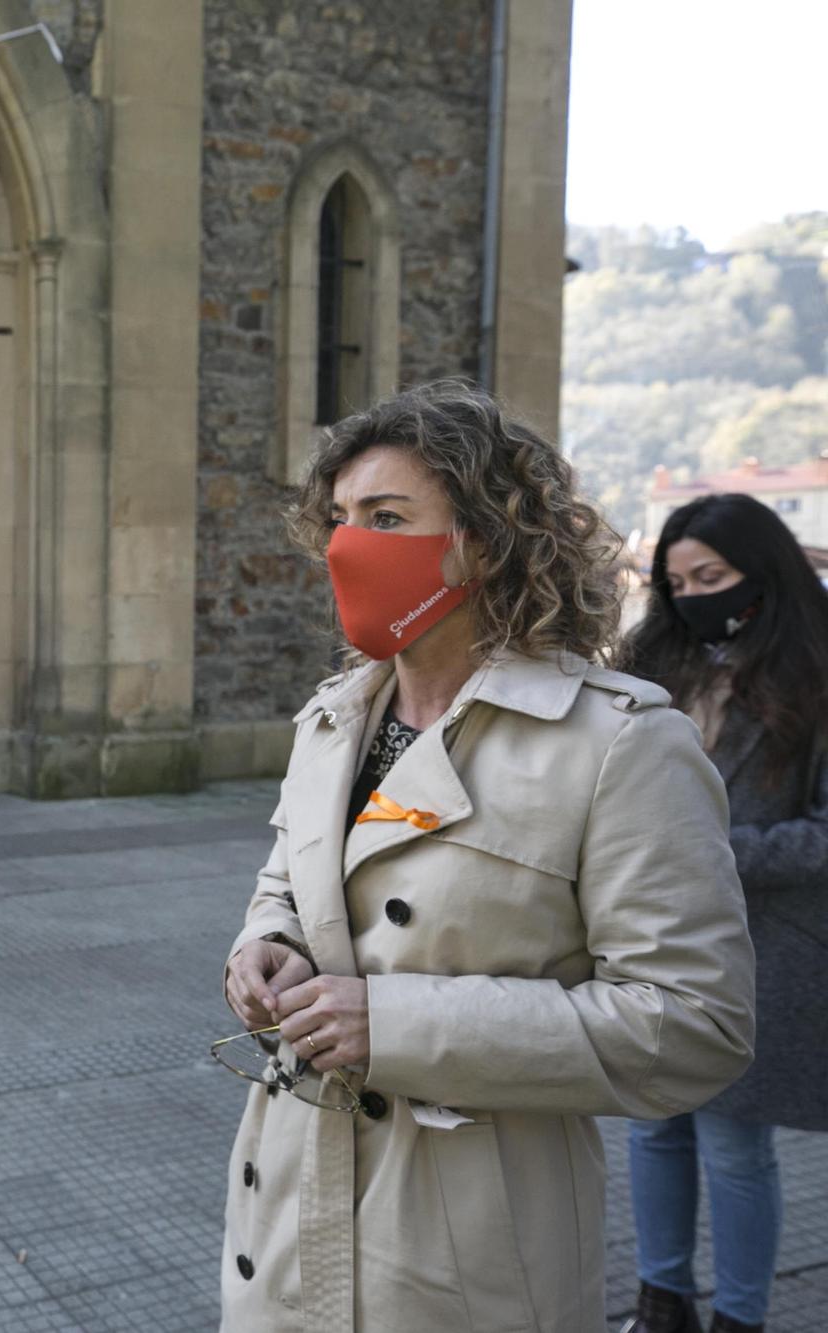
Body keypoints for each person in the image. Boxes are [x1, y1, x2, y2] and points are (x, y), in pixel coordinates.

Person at [217, 381, 755, 1332]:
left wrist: (399, 1024)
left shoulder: (620, 743)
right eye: (339, 517)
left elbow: (694, 1022)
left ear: (487, 538)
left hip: (467, 1249)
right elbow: (289, 884)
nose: (348, 544)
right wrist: (267, 942)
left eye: (386, 518)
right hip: (288, 1209)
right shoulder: (333, 715)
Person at [613, 493, 828, 1333]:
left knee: (735, 1143)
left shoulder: (815, 675)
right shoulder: (655, 664)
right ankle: (660, 1303)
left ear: (763, 572)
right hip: (650, 941)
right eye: (675, 580)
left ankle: (742, 1318)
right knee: (653, 1123)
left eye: (712, 575)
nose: (692, 594)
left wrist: (712, 852)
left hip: (768, 947)